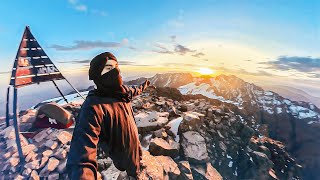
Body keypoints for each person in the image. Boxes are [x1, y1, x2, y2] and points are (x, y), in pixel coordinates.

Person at [66, 52, 150, 179]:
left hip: (135, 147)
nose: (116, 71)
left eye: (116, 66)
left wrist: (145, 85)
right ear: (98, 76)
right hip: (123, 158)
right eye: (109, 68)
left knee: (138, 159)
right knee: (134, 172)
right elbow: (81, 156)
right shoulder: (93, 107)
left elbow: (135, 90)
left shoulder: (122, 93)